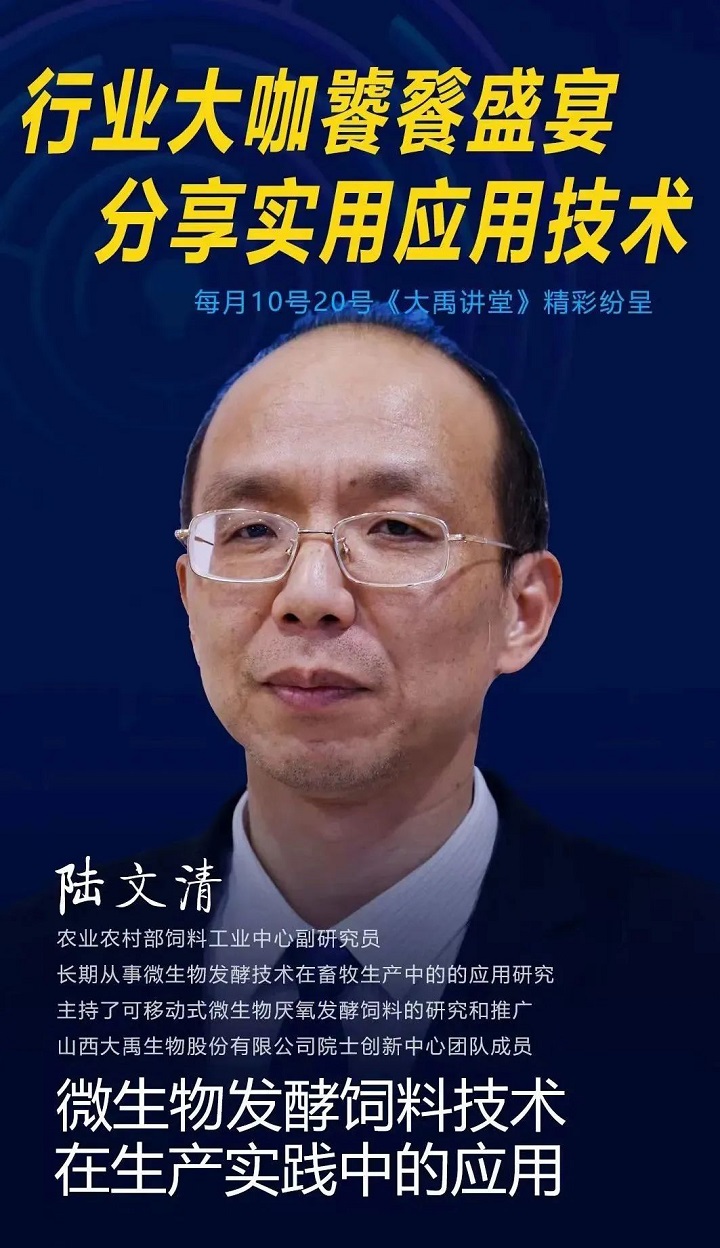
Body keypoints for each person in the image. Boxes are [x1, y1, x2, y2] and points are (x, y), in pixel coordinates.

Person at [2, 305, 718, 1240]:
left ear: (524, 610)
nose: (310, 597)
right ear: (189, 596)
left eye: (398, 527)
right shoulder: (32, 980)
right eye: (250, 531)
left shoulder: (688, 984)